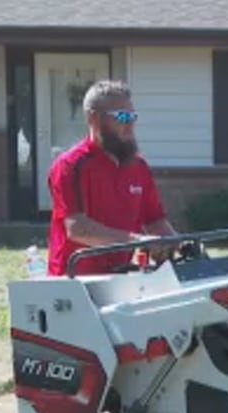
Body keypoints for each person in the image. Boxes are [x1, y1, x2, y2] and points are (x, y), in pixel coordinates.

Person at [45, 79, 177, 276]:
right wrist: (137, 241)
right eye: (122, 116)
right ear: (93, 119)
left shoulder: (138, 167)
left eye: (133, 116)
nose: (131, 123)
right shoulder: (70, 166)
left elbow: (154, 220)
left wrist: (173, 242)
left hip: (120, 278)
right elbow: (78, 229)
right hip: (71, 281)